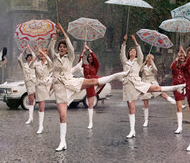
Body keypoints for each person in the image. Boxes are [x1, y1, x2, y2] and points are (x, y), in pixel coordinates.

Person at [48, 23, 129, 152]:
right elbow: (50, 49)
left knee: (93, 81)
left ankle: (116, 76)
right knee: (62, 116)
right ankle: (63, 141)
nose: (62, 48)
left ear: (67, 49)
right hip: (59, 89)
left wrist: (63, 32)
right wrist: (55, 35)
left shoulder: (70, 57)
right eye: (60, 47)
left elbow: (70, 46)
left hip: (70, 83)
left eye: (64, 47)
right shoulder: (55, 58)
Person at [120, 35, 186, 139]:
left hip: (139, 83)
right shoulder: (126, 62)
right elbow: (122, 54)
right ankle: (132, 130)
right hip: (128, 84)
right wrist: (124, 42)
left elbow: (142, 55)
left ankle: (175, 88)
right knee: (131, 107)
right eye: (131, 51)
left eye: (134, 51)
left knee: (157, 90)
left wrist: (135, 41)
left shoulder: (138, 60)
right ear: (128, 53)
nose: (132, 51)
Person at [140, 54, 178, 127]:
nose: (150, 59)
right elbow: (139, 70)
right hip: (145, 84)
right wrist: (144, 62)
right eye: (149, 58)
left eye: (152, 59)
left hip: (153, 83)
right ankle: (146, 120)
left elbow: (155, 70)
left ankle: (175, 103)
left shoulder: (153, 66)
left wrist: (152, 62)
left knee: (162, 94)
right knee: (145, 101)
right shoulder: (144, 66)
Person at [78, 44, 104, 129]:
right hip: (86, 82)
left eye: (91, 57)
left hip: (93, 82)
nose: (90, 58)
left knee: (90, 104)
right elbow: (79, 63)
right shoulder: (85, 65)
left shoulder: (95, 66)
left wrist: (90, 50)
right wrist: (83, 52)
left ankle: (90, 122)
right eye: (88, 57)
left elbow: (96, 59)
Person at [30, 47, 53, 134]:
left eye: (44, 53)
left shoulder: (48, 63)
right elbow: (30, 66)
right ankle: (40, 126)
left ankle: (41, 126)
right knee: (41, 106)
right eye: (41, 53)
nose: (42, 54)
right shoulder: (37, 63)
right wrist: (36, 56)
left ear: (46, 54)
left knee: (42, 105)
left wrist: (43, 54)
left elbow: (51, 63)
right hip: (39, 86)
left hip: (46, 85)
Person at [18, 45, 36, 124]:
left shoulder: (33, 64)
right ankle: (30, 117)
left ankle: (31, 117)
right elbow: (19, 59)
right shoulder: (24, 65)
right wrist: (24, 50)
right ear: (26, 58)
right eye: (28, 57)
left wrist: (30, 49)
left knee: (32, 100)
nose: (29, 58)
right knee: (30, 100)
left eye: (30, 57)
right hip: (28, 83)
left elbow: (35, 56)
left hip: (34, 82)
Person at [170, 47, 186, 134]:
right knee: (179, 107)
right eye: (180, 56)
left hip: (186, 86)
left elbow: (189, 60)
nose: (182, 57)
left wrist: (183, 51)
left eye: (183, 56)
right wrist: (177, 56)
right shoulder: (175, 65)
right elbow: (171, 67)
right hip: (177, 87)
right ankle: (180, 126)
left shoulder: (186, 65)